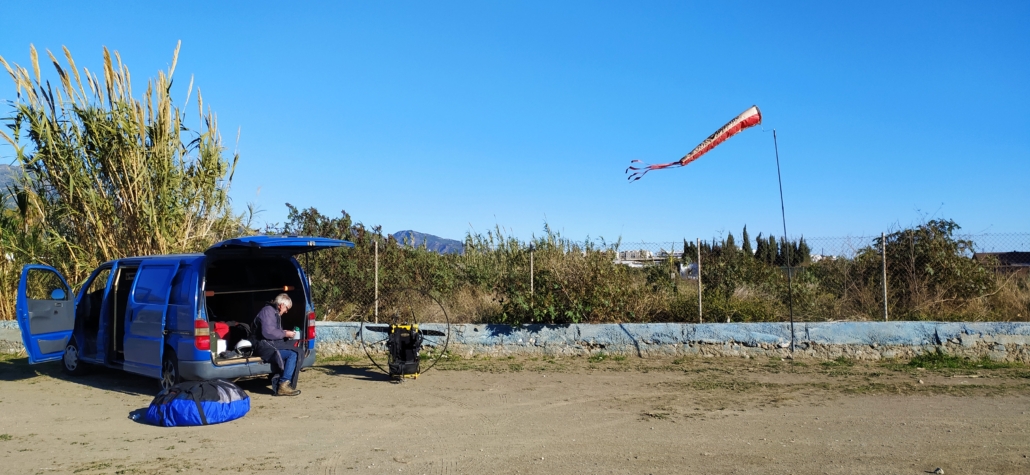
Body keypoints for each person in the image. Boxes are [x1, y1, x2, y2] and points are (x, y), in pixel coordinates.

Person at [252, 293, 302, 396]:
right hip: (263, 345)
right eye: (287, 308)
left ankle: (284, 381)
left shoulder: (274, 312)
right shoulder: (268, 311)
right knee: (293, 354)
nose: (286, 311)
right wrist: (285, 333)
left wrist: (284, 332)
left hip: (269, 343)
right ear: (281, 305)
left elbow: (273, 331)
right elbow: (268, 332)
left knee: (297, 350)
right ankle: (283, 385)